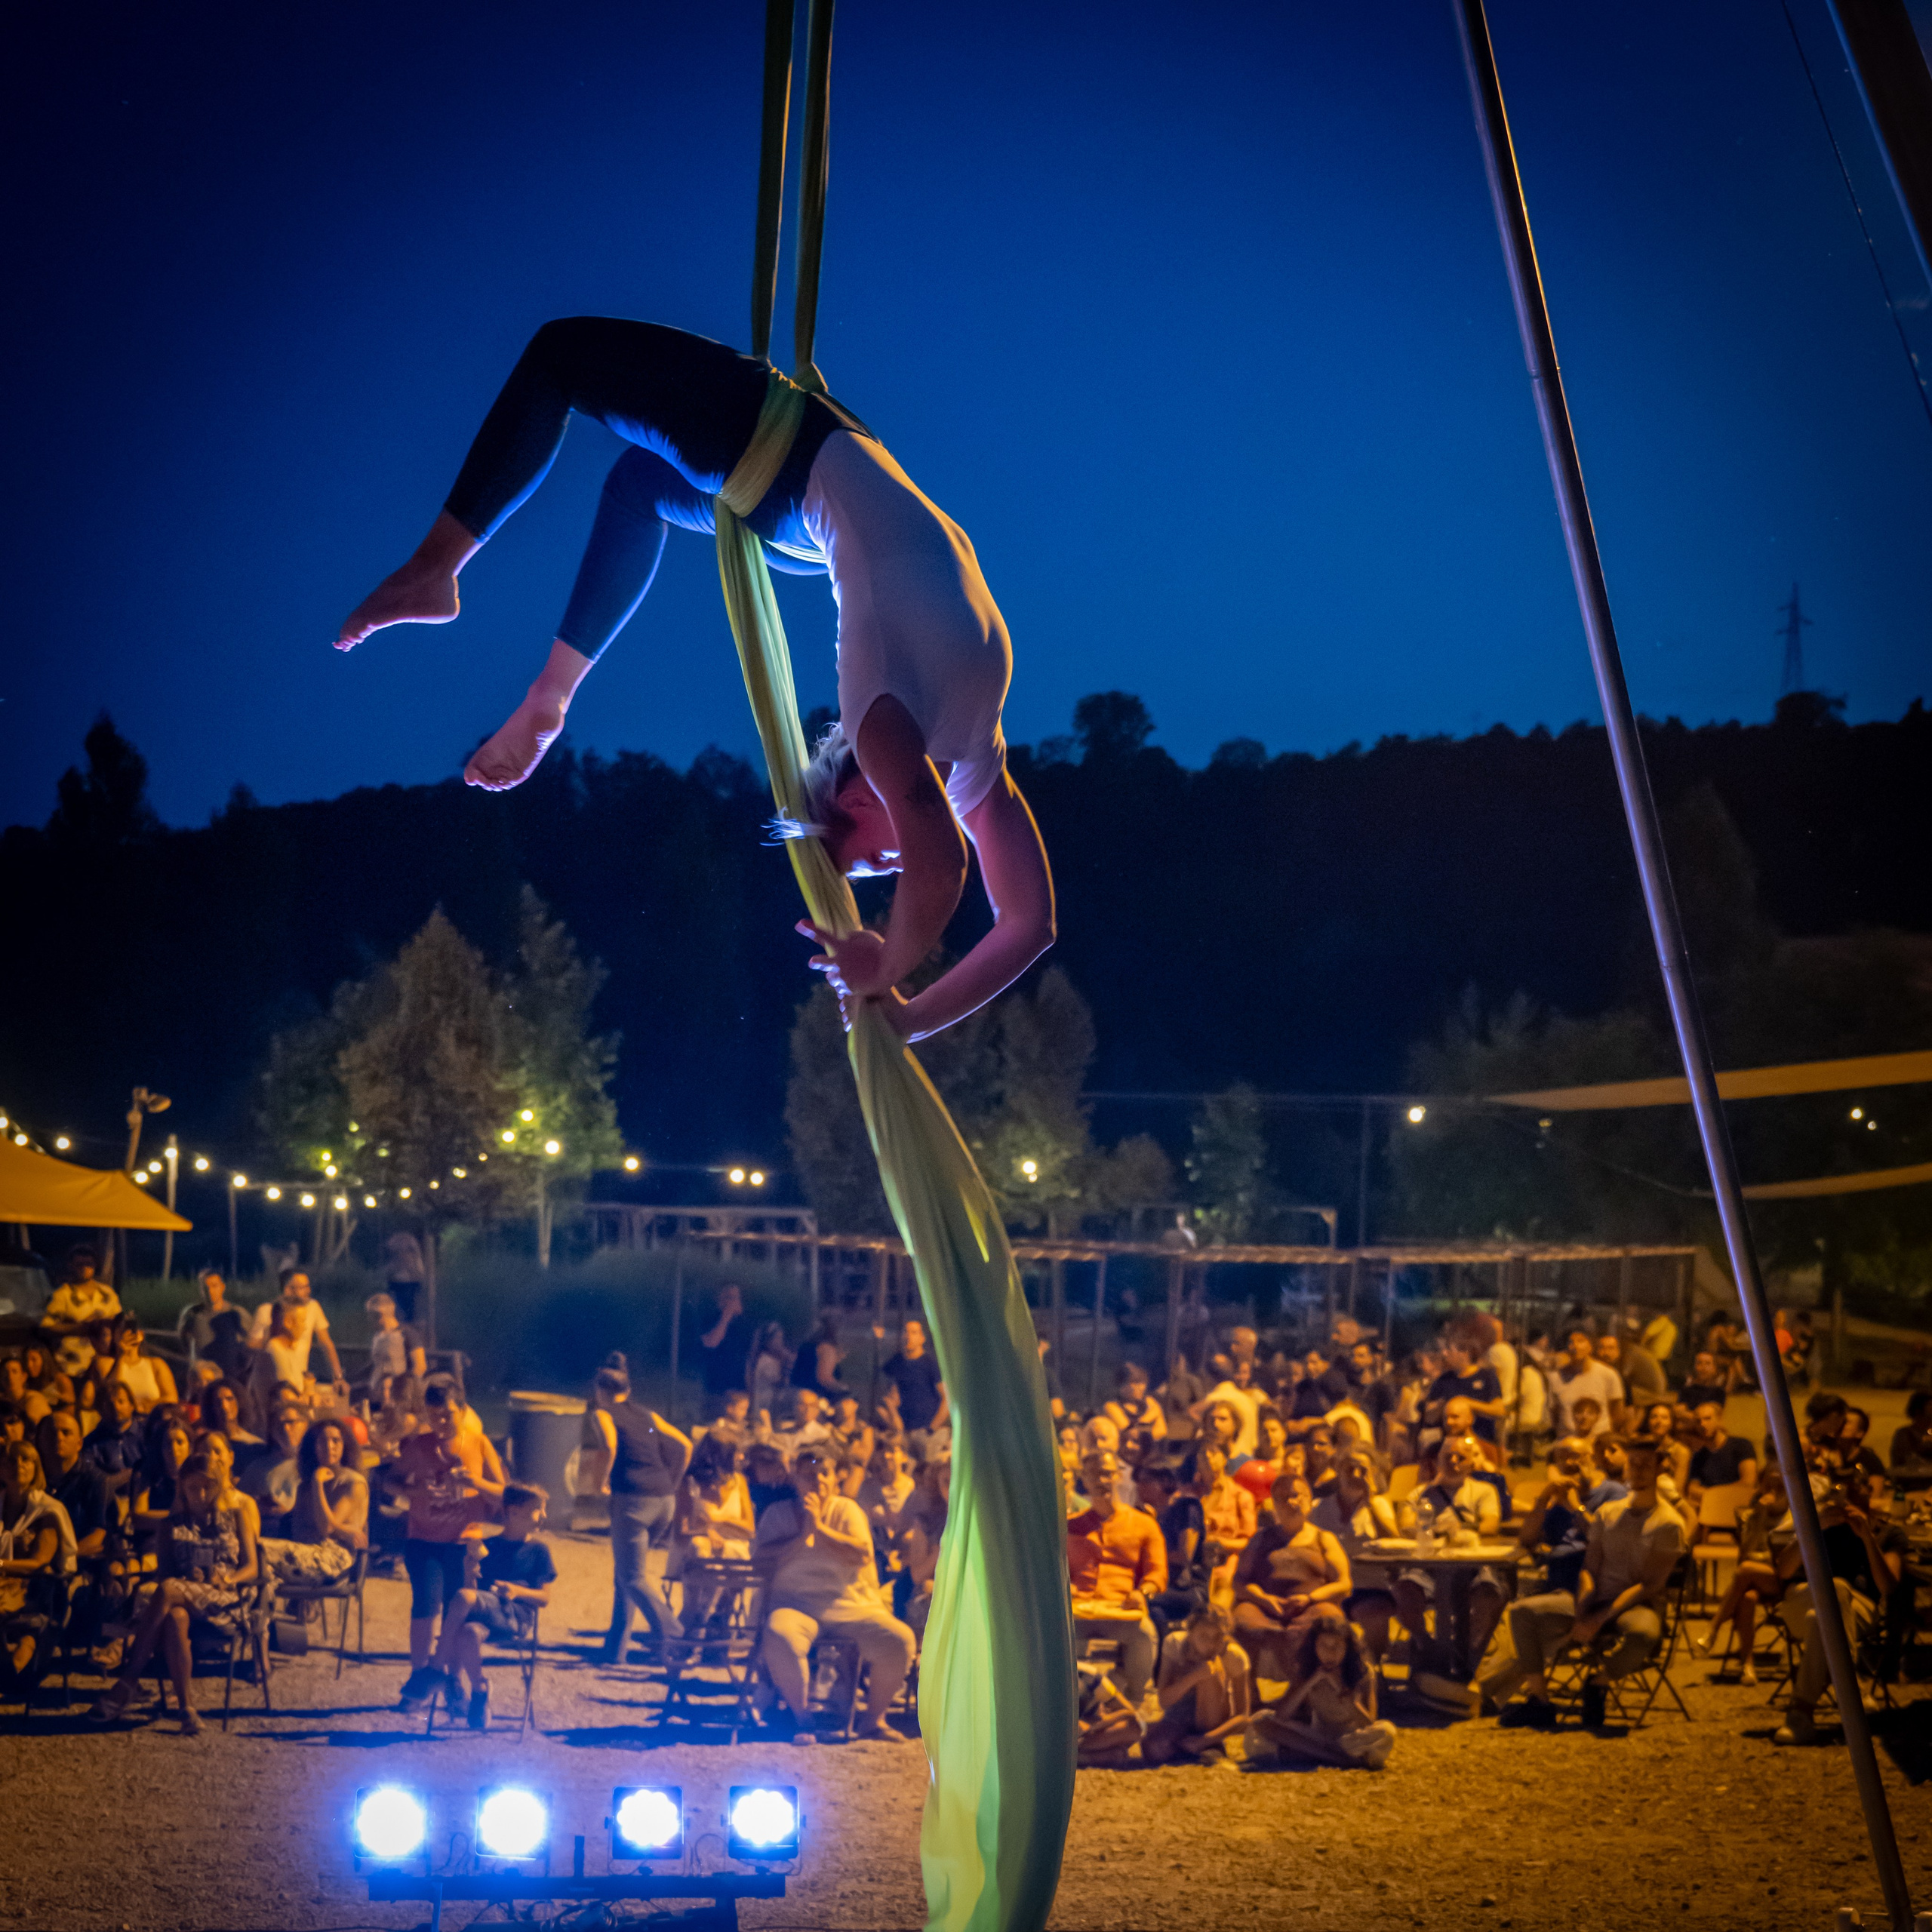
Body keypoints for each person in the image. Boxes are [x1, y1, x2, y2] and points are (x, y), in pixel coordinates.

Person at [336, 316, 1055, 1044]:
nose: (889, 864)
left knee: (561, 357)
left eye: (867, 859)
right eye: (878, 871)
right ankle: (545, 691)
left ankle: (442, 575)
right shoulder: (971, 761)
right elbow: (1028, 923)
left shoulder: (882, 722)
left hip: (785, 463)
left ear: (851, 790)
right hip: (809, 507)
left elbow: (940, 871)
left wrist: (889, 983)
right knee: (636, 488)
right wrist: (904, 1012)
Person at [1489, 1438, 1684, 1729]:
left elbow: (1649, 1585)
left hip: (1635, 1603)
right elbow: (1590, 1569)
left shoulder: (1668, 1523)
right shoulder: (1609, 1514)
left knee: (1642, 1634)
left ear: (1659, 1469)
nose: (1639, 1471)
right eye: (1634, 1464)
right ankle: (1540, 1701)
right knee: (1522, 1611)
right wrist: (1582, 1612)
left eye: (1647, 1465)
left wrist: (1598, 1619)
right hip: (1595, 1598)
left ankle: (1598, 1682)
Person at [752, 1444, 916, 1743]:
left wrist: (820, 1530)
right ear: (796, 1480)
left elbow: (862, 1554)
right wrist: (803, 1537)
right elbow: (760, 1562)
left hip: (850, 1605)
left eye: (824, 1474)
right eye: (809, 1475)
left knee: (900, 1640)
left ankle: (872, 1721)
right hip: (795, 1604)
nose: (818, 1481)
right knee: (779, 1634)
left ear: (835, 1478)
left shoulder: (847, 1509)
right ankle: (803, 1721)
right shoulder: (777, 1514)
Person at [93, 1452, 258, 1734]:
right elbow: (166, 1574)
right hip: (185, 1596)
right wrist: (187, 1580)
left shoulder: (236, 1515)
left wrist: (230, 1578)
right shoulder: (171, 1525)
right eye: (194, 1487)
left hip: (227, 1599)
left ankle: (128, 1680)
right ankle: (187, 1711)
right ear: (182, 1488)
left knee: (169, 1592)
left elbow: (253, 1568)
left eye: (208, 1486)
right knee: (175, 1617)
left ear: (218, 1486)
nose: (201, 1494)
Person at [391, 1374, 506, 1709]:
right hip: (423, 1538)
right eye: (433, 1415)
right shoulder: (419, 1446)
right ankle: (419, 1679)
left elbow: (504, 1492)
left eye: (447, 1415)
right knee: (425, 1605)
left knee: (458, 1615)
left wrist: (474, 1481)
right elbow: (391, 1484)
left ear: (463, 1410)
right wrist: (418, 1492)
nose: (439, 1422)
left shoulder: (478, 1443)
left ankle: (453, 1682)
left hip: (463, 1542)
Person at [1773, 1471, 1906, 1746]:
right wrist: (1812, 1527)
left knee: (1825, 1609)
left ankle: (1801, 1712)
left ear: (1871, 1493)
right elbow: (1783, 1570)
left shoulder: (1888, 1532)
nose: (1849, 1500)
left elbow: (1888, 1588)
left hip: (1860, 1609)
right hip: (1802, 1600)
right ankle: (1850, 1685)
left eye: (1857, 1492)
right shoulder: (1821, 1527)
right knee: (1833, 1591)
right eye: (1843, 1494)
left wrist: (1868, 1537)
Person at [429, 1483, 557, 1730]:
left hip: (516, 1618)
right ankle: (480, 1691)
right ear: (513, 1512)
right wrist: (470, 1570)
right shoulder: (489, 1546)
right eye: (537, 1510)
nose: (544, 1516)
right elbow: (474, 1591)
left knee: (463, 1601)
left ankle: (437, 1668)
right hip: (485, 1616)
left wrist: (516, 1590)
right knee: (467, 1633)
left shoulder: (539, 1550)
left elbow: (545, 1599)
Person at [1392, 1434, 1509, 1688]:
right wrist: (1435, 1529)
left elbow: (1490, 1525)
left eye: (1461, 1457)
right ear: (1437, 1461)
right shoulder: (1420, 1494)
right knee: (1404, 1591)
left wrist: (1464, 1526)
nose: (1454, 1462)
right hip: (1429, 1567)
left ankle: (1469, 1661)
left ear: (1472, 1463)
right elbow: (1405, 1525)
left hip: (1472, 1567)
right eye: (1447, 1457)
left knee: (1490, 1595)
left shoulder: (1483, 1491)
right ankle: (1429, 1648)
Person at [598, 1360, 693, 1663]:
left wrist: (601, 1483)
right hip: (664, 1500)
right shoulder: (647, 1415)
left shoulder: (603, 1413)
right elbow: (685, 1444)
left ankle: (675, 1634)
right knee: (626, 1574)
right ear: (629, 1390)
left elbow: (610, 1447)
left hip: (632, 1500)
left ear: (600, 1391)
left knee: (632, 1576)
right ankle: (615, 1651)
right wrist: (674, 1481)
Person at [1066, 1447, 1165, 1706]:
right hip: (1078, 1611)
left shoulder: (1144, 1524)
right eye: (1094, 1475)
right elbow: (1053, 1574)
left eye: (1107, 1474)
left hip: (1121, 1610)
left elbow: (1157, 1573)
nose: (1101, 1481)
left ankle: (1132, 1702)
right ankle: (1071, 1706)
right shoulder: (1068, 1527)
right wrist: (1065, 1591)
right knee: (1055, 1636)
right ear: (1083, 1480)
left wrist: (1142, 1592)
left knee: (1145, 1634)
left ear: (1119, 1476)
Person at [1231, 1475, 1351, 1681]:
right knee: (1242, 1619)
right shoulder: (1261, 1538)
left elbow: (1344, 1583)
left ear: (1309, 1500)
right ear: (1274, 1505)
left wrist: (1310, 1598)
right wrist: (1263, 1599)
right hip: (1266, 1608)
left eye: (1296, 1496)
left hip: (1311, 1606)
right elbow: (1239, 1582)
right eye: (1282, 1498)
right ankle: (1250, 1696)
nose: (1290, 1503)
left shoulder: (1323, 1539)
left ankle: (1313, 1692)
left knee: (1330, 1619)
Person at [1246, 1617, 1396, 1769]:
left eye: (1337, 1646)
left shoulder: (1363, 1673)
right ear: (1314, 1646)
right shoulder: (1308, 1670)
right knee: (1260, 1720)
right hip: (1319, 1737)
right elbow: (1282, 1715)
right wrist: (1312, 1681)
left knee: (1387, 1731)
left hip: (1352, 1739)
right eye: (1323, 1645)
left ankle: (1309, 1755)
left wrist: (1344, 1694)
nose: (1330, 1652)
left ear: (1347, 1647)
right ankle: (1336, 1758)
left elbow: (1370, 1723)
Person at [0, 1441, 75, 1693]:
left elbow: (39, 1562)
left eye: (26, 1460)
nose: (18, 1465)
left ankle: (8, 1676)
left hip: (35, 1590)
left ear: (36, 1467)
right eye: (11, 1460)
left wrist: (1, 1564)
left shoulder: (48, 1511)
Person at [1312, 1453, 1401, 1661]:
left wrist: (1369, 1503)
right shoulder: (1320, 1508)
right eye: (1349, 1469)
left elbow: (1394, 1543)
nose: (1355, 1475)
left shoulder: (1379, 1505)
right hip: (1332, 1586)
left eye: (1362, 1470)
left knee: (1374, 1612)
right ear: (1338, 1473)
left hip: (1370, 1585)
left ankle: (1372, 1669)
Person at [1141, 1604, 1254, 1765]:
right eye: (1203, 1637)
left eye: (1218, 1637)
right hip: (1179, 1714)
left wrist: (1206, 1739)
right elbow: (1164, 1700)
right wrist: (1194, 1677)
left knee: (1211, 1671)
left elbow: (1243, 1716)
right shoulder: (1174, 1644)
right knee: (1152, 1749)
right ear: (1191, 1633)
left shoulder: (1234, 1656)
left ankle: (1205, 1745)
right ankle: (1195, 1752)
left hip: (1212, 1717)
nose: (1211, 1644)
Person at [259, 1416, 366, 1583]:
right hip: (304, 1553)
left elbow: (326, 1528)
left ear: (345, 1445)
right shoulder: (304, 1487)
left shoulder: (353, 1483)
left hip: (334, 1558)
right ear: (313, 1447)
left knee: (259, 1550)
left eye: (335, 1441)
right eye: (322, 1442)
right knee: (253, 1554)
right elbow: (299, 1529)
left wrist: (318, 1484)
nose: (329, 1447)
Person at [249, 1268, 346, 1396]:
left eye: (308, 1286)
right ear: (288, 1289)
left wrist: (338, 1377)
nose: (309, 1291)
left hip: (300, 1385)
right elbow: (251, 1350)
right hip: (273, 1389)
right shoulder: (267, 1311)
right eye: (303, 1287)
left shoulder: (312, 1307)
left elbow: (326, 1343)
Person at [878, 1318, 949, 1451]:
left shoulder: (930, 1364)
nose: (908, 1336)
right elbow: (881, 1379)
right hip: (902, 1429)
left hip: (924, 1430)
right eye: (906, 1332)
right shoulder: (897, 1361)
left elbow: (947, 1398)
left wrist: (932, 1429)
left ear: (922, 1338)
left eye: (914, 1332)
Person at [1550, 1329, 1624, 1439]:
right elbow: (1554, 1413)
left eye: (1581, 1341)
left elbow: (1617, 1412)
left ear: (1590, 1346)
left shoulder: (1608, 1374)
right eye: (1571, 1342)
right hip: (1568, 1444)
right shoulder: (1556, 1377)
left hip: (1598, 1445)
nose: (1575, 1346)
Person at [697, 1283, 755, 1417]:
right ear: (720, 1299)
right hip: (716, 1389)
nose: (733, 1302)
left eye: (736, 1298)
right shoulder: (710, 1319)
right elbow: (711, 1343)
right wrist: (726, 1317)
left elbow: (750, 1356)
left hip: (739, 1389)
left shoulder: (744, 1324)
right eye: (729, 1297)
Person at [101, 1320, 178, 1415]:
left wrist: (146, 1406)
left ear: (141, 1334)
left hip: (151, 1422)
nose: (127, 1334)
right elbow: (110, 1393)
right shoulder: (107, 1363)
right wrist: (122, 1356)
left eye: (132, 1330)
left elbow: (171, 1398)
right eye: (122, 1330)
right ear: (115, 1335)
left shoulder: (156, 1364)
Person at [364, 1293, 426, 1408]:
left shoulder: (407, 1334)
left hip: (400, 1398)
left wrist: (402, 1390)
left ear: (380, 1315)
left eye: (370, 1315)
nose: (368, 1319)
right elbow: (376, 1364)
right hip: (377, 1395)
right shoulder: (378, 1336)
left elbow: (420, 1366)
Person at [748, 1322, 792, 1431]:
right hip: (764, 1405)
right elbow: (780, 1381)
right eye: (776, 1338)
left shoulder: (773, 1359)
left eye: (781, 1338)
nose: (779, 1342)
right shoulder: (766, 1360)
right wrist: (788, 1362)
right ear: (767, 1341)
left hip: (771, 1404)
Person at [381, 1230, 427, 1326]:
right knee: (399, 1310)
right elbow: (389, 1273)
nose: (403, 1253)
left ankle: (411, 1326)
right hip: (397, 1285)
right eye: (399, 1251)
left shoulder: (414, 1259)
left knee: (412, 1311)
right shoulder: (393, 1262)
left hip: (412, 1285)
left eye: (406, 1250)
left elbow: (419, 1274)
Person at [1677, 1349, 1729, 1415]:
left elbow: (1711, 1414)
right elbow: (1679, 1410)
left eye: (1707, 1363)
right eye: (1699, 1363)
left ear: (1715, 1368)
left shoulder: (1719, 1392)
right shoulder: (1686, 1390)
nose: (1703, 1367)